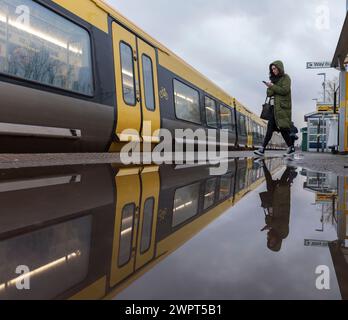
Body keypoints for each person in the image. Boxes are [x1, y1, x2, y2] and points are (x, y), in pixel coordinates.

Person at [255, 61, 295, 156]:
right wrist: (270, 86)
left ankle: (291, 147)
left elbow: (285, 90)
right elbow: (269, 93)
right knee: (270, 128)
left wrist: (273, 86)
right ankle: (262, 149)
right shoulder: (273, 80)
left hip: (282, 108)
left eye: (275, 68)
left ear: (280, 68)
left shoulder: (286, 78)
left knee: (283, 129)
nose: (274, 70)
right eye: (272, 69)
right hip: (273, 108)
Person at [258, 160, 297, 252]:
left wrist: (267, 219)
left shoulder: (272, 231)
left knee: (269, 181)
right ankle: (290, 164)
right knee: (283, 181)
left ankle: (263, 164)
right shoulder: (284, 234)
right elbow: (282, 222)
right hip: (282, 201)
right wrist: (269, 225)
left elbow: (268, 218)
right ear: (277, 243)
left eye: (269, 242)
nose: (271, 240)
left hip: (272, 202)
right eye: (273, 243)